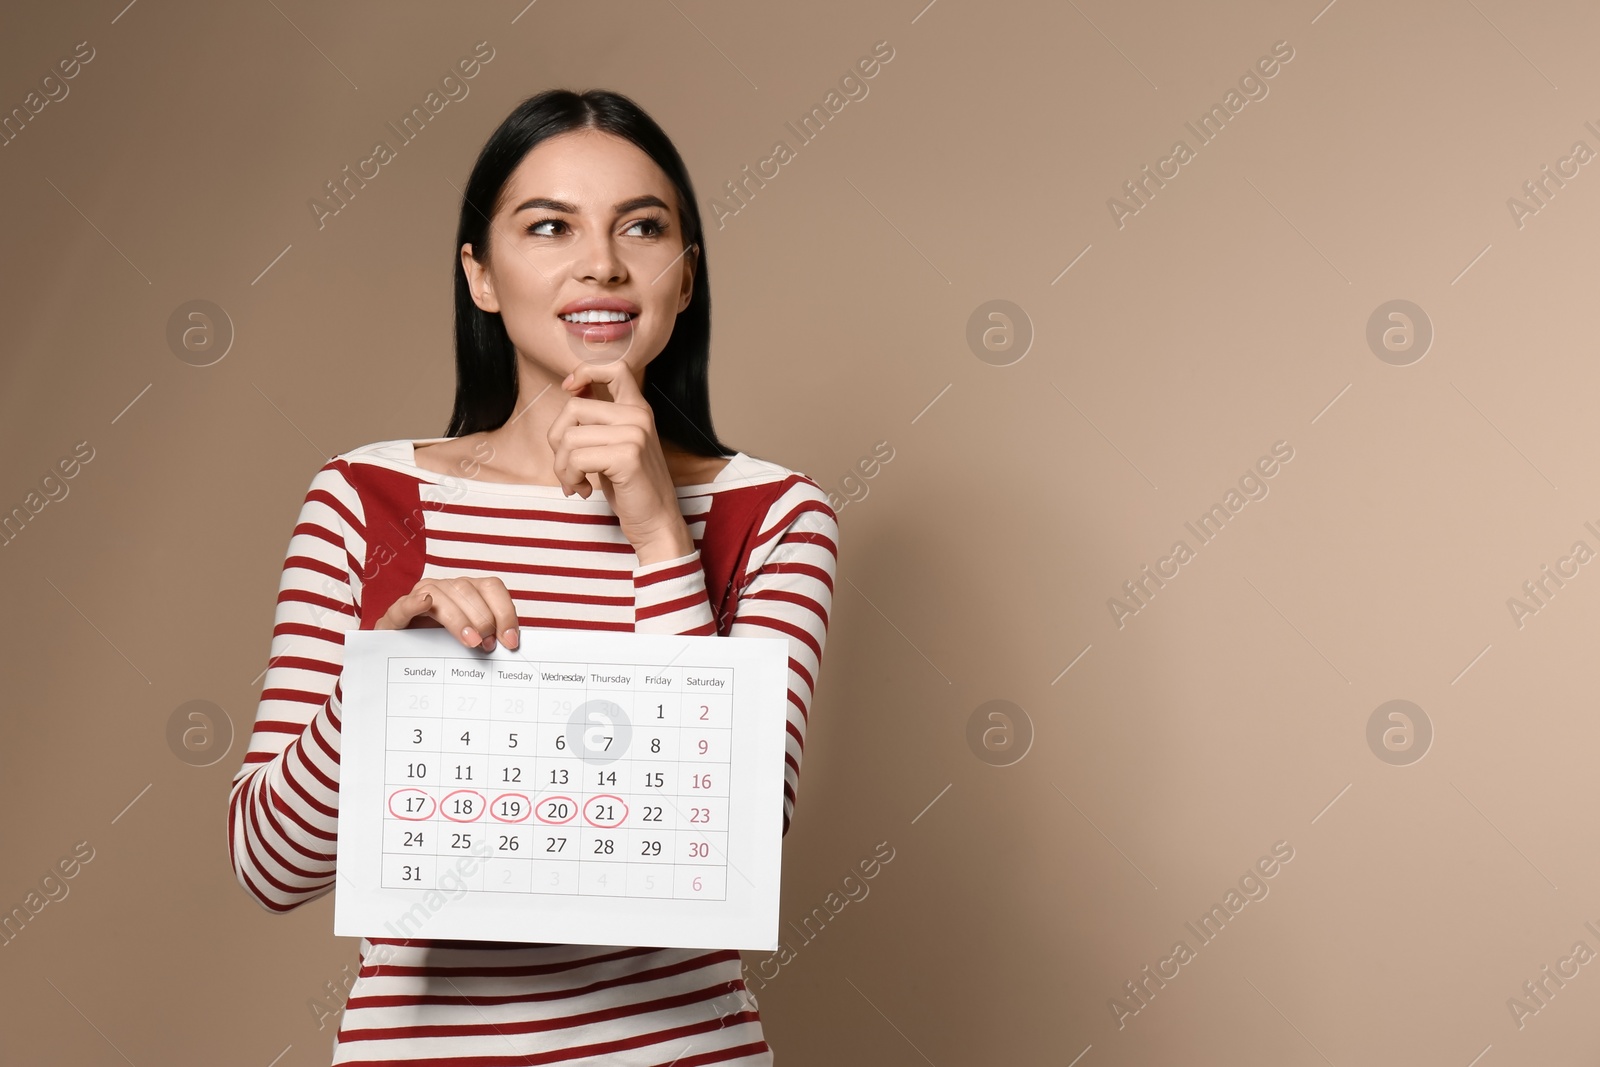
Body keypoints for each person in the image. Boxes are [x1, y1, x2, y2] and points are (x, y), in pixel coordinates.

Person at [226, 87, 839, 1065]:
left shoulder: (768, 515)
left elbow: (729, 844)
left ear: (683, 280)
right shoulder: (366, 499)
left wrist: (656, 541)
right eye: (549, 225)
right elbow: (269, 863)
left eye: (642, 227)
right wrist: (381, 677)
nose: (601, 261)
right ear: (479, 274)